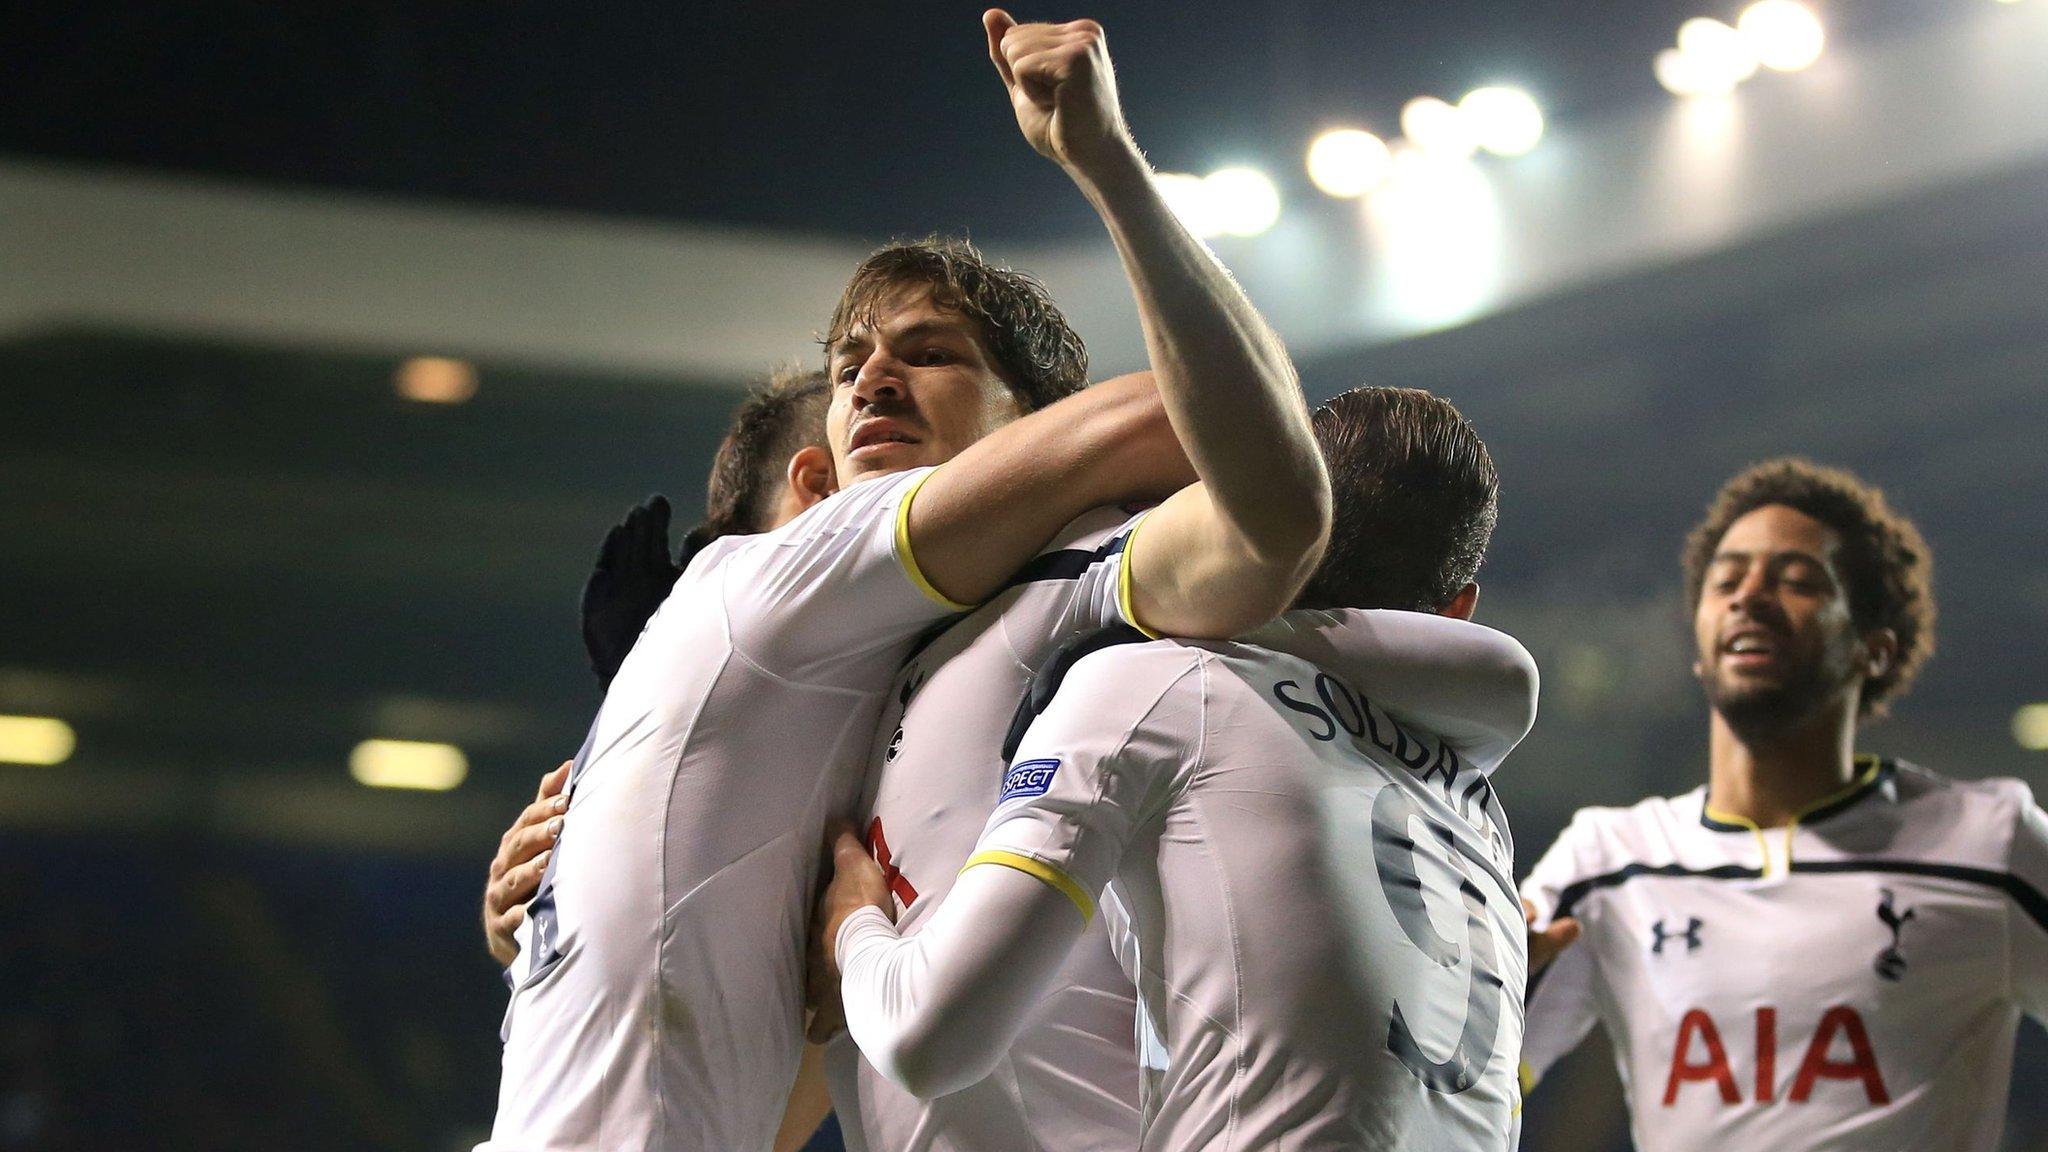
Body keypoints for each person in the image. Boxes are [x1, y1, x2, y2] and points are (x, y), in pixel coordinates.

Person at [480, 9, 1333, 1148]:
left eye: (930, 355)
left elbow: (1266, 508)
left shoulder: (1082, 583)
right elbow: (789, 1102)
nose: (876, 378)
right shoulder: (842, 715)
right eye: (850, 367)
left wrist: (1111, 172)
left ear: (1032, 422)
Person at [817, 387, 1539, 1151]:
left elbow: (927, 1037)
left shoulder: (1158, 686)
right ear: (1459, 609)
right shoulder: (1479, 814)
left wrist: (851, 925)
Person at [1519, 459, 2048, 1152]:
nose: (1751, 596)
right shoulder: (1608, 860)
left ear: (1875, 650)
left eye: (1796, 580)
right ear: (1701, 645)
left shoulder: (1990, 839)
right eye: (1727, 579)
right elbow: (1453, 1083)